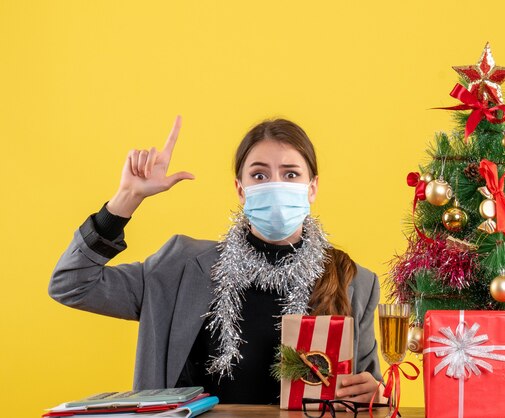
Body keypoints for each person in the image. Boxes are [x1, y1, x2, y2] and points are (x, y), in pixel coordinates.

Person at [49, 116, 382, 405]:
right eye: (260, 175)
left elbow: (371, 395)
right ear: (241, 189)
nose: (276, 185)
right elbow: (72, 284)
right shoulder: (178, 267)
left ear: (312, 187)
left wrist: (375, 394)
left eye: (291, 174)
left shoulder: (355, 282)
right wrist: (126, 199)